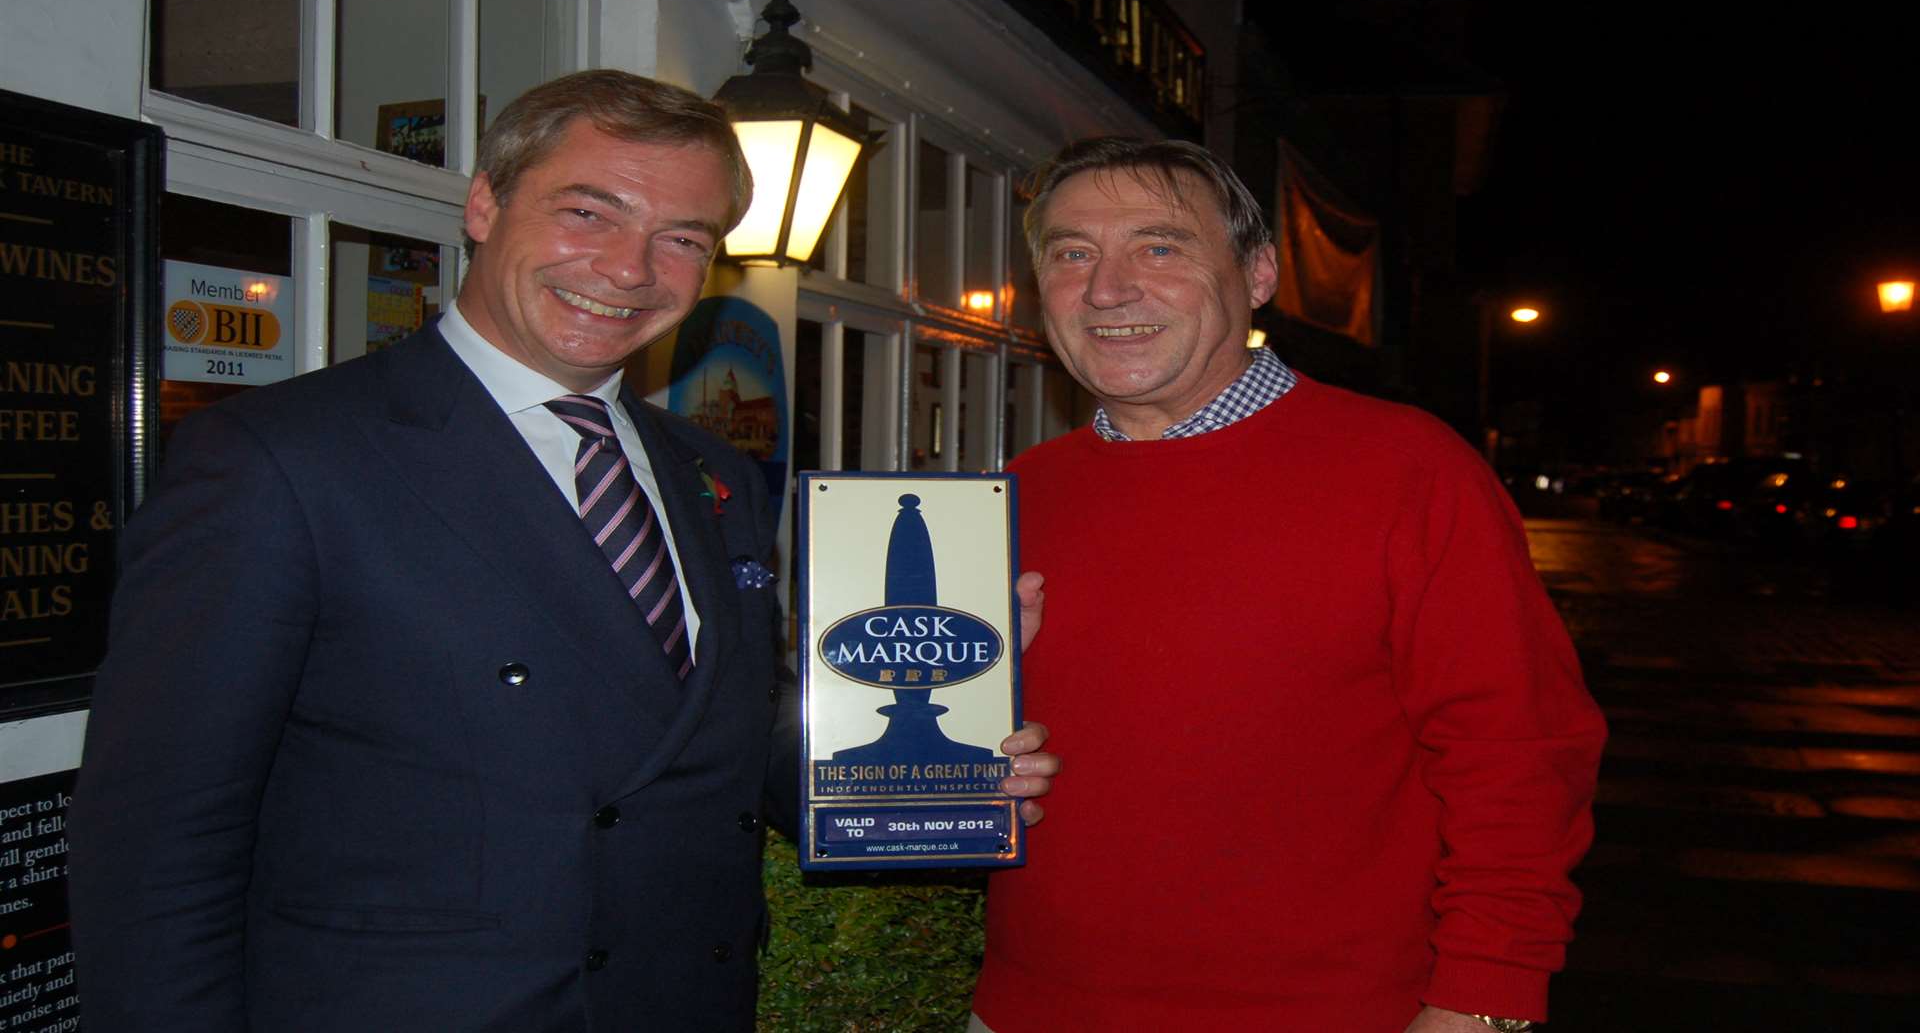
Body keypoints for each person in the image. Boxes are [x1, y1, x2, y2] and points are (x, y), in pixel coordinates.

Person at [67, 69, 1055, 1032]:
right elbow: (157, 840)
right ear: (486, 205)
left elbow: (716, 742)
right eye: (588, 214)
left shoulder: (710, 471)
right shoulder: (278, 460)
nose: (630, 270)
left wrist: (941, 767)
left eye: (681, 237)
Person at [969, 138, 1606, 1033]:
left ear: (1259, 272)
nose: (1107, 289)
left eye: (1160, 246)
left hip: (1335, 1012)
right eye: (1073, 254)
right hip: (1030, 1008)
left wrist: (1483, 996)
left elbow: (1519, 753)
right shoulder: (1013, 492)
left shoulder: (1408, 469)